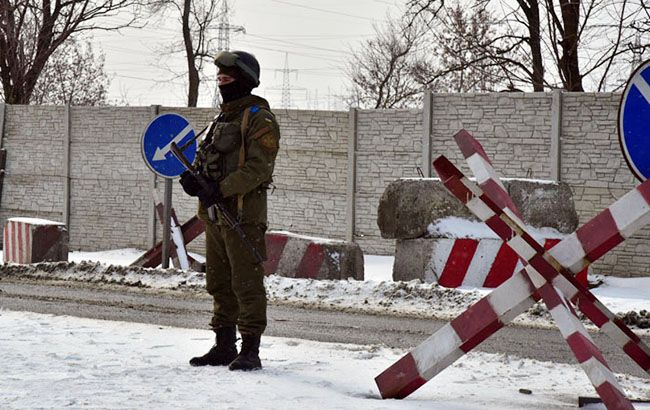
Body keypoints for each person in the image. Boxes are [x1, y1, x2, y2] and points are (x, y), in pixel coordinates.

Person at [178, 50, 280, 371]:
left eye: (227, 79)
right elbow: (209, 160)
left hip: (241, 216)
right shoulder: (220, 119)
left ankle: (250, 349)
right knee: (218, 281)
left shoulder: (258, 118)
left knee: (246, 282)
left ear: (244, 81)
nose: (221, 84)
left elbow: (258, 169)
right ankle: (224, 345)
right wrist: (195, 182)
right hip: (215, 216)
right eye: (219, 79)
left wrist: (219, 189)